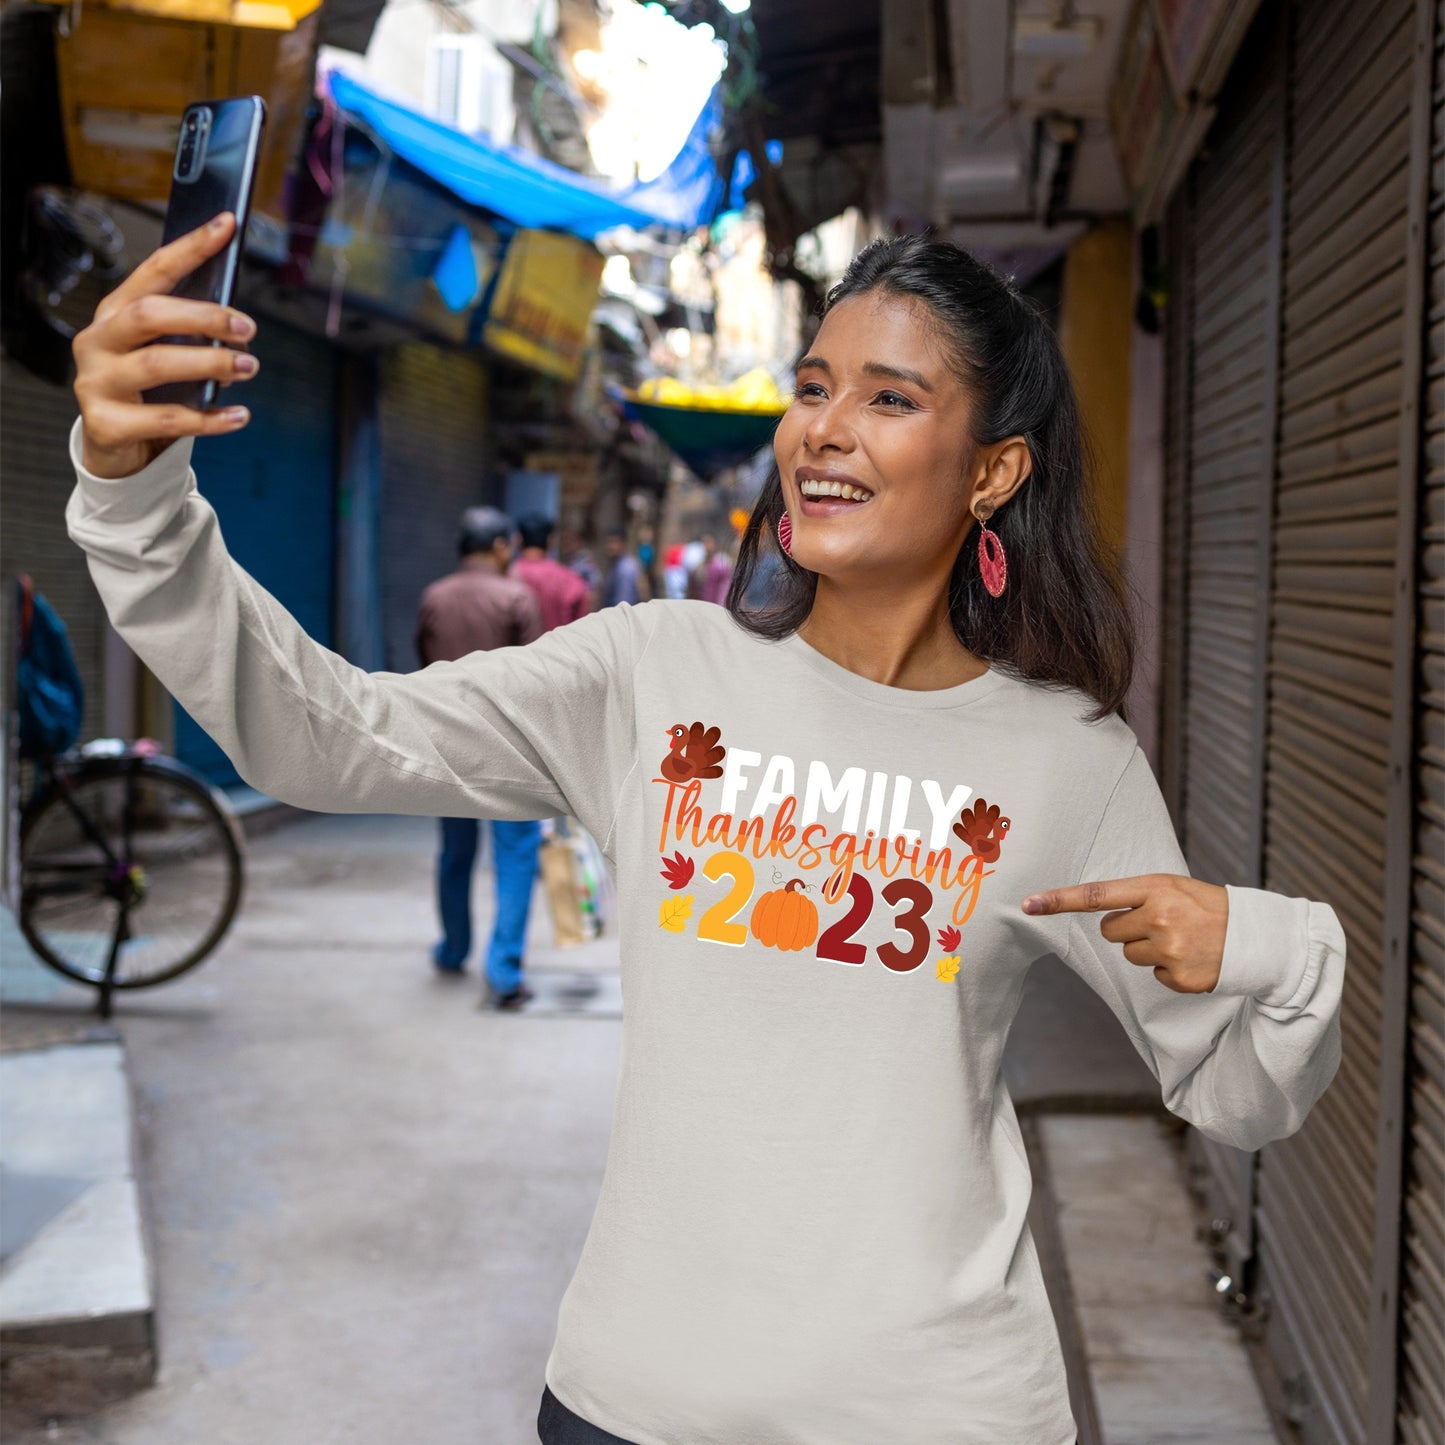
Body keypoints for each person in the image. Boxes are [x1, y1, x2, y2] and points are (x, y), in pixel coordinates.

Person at [67, 216, 1345, 1445]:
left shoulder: (1062, 759)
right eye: (812, 386)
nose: (824, 433)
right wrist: (139, 507)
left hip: (938, 1412)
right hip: (637, 1402)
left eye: (888, 400)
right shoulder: (651, 670)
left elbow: (1230, 1093)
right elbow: (324, 733)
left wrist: (1276, 948)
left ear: (994, 469)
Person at [415, 506, 543, 1009]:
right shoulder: (516, 597)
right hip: (509, 752)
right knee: (515, 857)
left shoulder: (433, 598)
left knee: (455, 854)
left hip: (447, 745)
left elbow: (423, 667)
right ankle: (504, 971)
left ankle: (452, 950)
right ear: (499, 547)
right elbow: (540, 682)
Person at [512, 513, 591, 632]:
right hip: (558, 650)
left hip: (511, 651)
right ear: (550, 541)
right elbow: (582, 630)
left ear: (518, 540)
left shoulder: (505, 577)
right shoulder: (571, 580)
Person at [599, 527, 646, 607]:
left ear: (623, 544)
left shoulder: (626, 567)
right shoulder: (615, 565)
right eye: (608, 542)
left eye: (614, 542)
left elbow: (623, 602)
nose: (610, 546)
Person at [685, 531, 734, 605]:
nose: (706, 546)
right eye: (704, 543)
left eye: (708, 542)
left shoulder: (721, 564)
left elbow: (724, 588)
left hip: (716, 605)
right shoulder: (699, 565)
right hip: (701, 604)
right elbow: (692, 587)